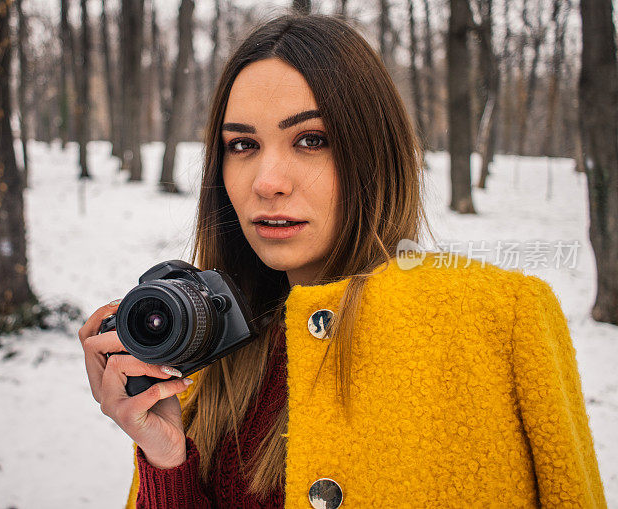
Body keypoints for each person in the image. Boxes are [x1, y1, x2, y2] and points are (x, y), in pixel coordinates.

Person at [78, 12, 607, 508]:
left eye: (311, 139)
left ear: (372, 151)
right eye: (242, 145)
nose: (267, 183)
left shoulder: (501, 321)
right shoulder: (200, 363)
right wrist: (166, 461)